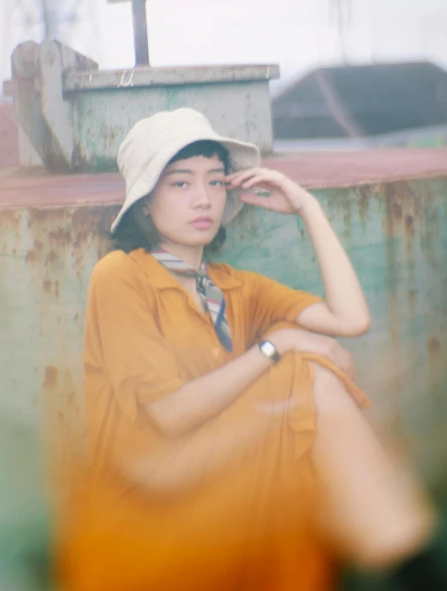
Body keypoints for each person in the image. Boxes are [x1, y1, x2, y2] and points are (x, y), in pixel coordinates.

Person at [58, 108, 445, 591]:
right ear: (144, 203)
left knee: (309, 375)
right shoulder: (121, 277)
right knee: (305, 372)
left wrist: (308, 208)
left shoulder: (231, 287)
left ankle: (409, 562)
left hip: (223, 480)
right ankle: (414, 565)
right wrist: (276, 344)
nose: (203, 199)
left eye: (216, 182)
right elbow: (170, 415)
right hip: (150, 496)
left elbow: (351, 320)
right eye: (180, 183)